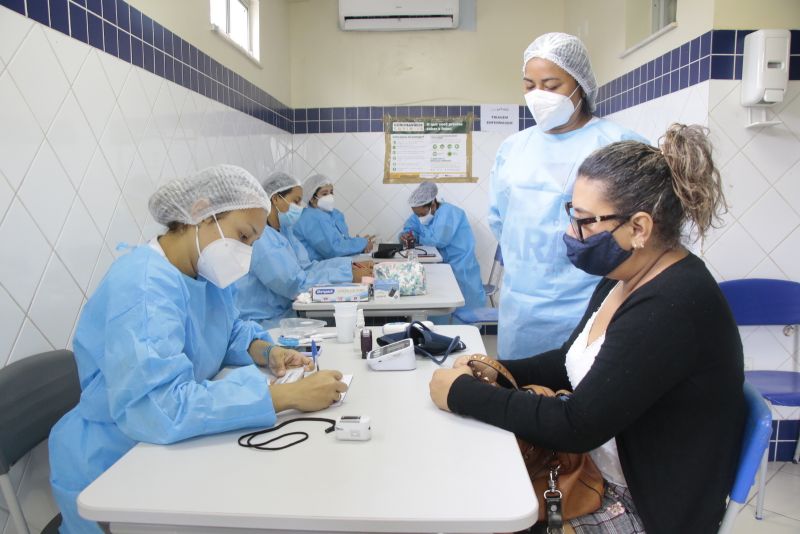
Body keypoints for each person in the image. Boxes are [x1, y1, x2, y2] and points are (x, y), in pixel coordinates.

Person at [430, 125, 745, 534]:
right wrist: (498, 368)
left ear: (639, 228)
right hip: (599, 469)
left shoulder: (673, 306)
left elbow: (577, 425)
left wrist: (462, 394)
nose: (570, 234)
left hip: (641, 506)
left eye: (584, 221)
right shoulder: (625, 276)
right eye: (571, 215)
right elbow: (568, 361)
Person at [49, 165, 349, 534]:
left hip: (167, 451)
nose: (244, 252)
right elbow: (159, 406)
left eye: (252, 243)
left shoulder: (203, 273)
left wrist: (266, 352)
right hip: (115, 466)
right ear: (200, 213)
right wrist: (284, 396)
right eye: (242, 235)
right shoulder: (144, 286)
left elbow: (230, 329)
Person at [489, 32, 647, 359]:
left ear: (580, 84)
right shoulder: (514, 149)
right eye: (529, 86)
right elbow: (500, 220)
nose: (539, 95)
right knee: (523, 396)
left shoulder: (616, 143)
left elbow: (642, 231)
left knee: (585, 397)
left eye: (551, 85)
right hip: (523, 309)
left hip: (593, 303)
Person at [236, 171, 354, 328]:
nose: (300, 207)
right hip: (263, 323)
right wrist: (349, 274)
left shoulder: (285, 231)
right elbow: (295, 284)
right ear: (276, 198)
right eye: (296, 201)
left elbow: (308, 267)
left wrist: (349, 266)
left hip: (286, 314)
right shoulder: (261, 238)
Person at [400, 182, 486, 313]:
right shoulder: (419, 214)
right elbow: (410, 227)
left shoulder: (449, 213)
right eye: (417, 215)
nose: (419, 218)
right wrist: (405, 235)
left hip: (460, 265)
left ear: (432, 204)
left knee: (464, 306)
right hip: (441, 264)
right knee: (440, 303)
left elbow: (438, 240)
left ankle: (465, 331)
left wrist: (417, 237)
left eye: (422, 214)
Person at [292, 173, 375, 260]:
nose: (330, 196)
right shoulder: (312, 218)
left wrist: (359, 245)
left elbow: (342, 241)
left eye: (331, 192)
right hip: (317, 267)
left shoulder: (331, 214)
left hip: (329, 264)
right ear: (312, 198)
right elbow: (333, 250)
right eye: (324, 194)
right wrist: (362, 243)